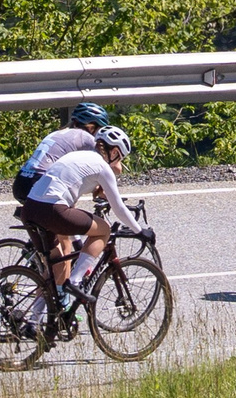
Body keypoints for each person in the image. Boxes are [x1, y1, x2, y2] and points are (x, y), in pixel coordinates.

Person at [18, 124, 147, 312]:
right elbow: (118, 208)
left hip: (29, 209)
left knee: (56, 267)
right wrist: (140, 231)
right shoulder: (103, 167)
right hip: (52, 209)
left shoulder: (75, 156)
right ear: (114, 152)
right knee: (104, 230)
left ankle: (34, 321)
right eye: (119, 157)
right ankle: (76, 281)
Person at [15, 102, 109, 203]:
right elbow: (112, 167)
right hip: (39, 183)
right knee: (67, 211)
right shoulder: (86, 137)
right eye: (100, 130)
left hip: (20, 183)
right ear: (91, 127)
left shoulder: (57, 133)